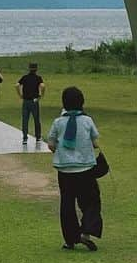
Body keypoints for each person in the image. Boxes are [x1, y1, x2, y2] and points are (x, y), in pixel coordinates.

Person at [46, 85, 102, 251]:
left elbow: (50, 144)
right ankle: (86, 232)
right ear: (82, 102)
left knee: (67, 204)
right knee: (91, 202)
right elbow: (95, 142)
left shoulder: (58, 122)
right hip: (85, 169)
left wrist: (62, 151)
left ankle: (70, 240)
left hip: (65, 170)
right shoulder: (87, 121)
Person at [16, 62, 46, 145]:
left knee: (25, 120)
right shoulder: (38, 78)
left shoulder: (25, 77)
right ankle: (38, 137)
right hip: (34, 101)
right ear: (36, 69)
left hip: (25, 101)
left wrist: (20, 94)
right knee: (36, 119)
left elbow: (17, 85)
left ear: (29, 68)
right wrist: (41, 95)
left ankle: (25, 138)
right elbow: (43, 86)